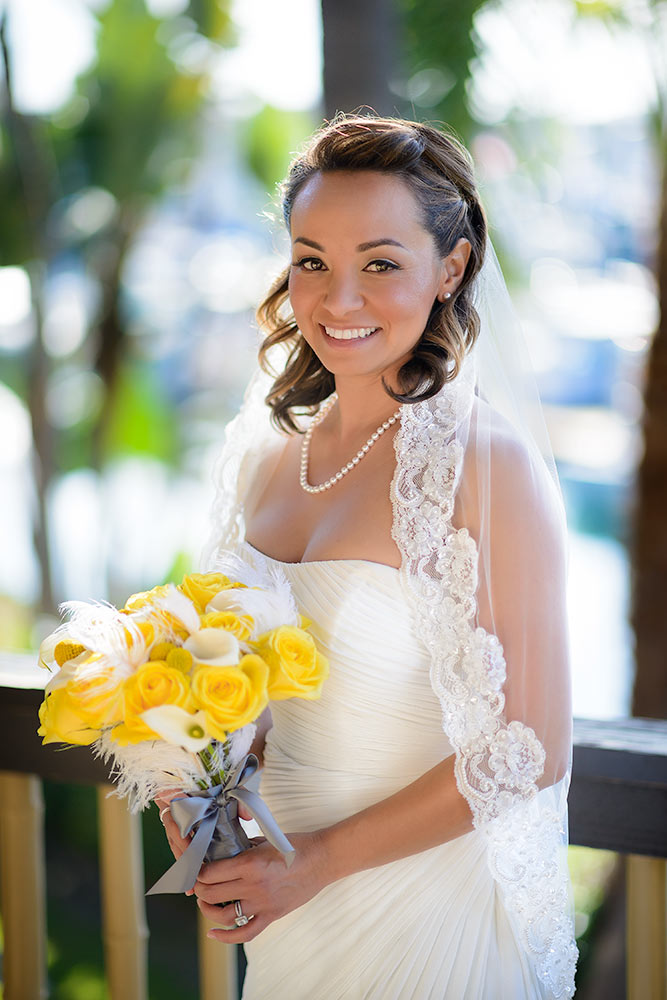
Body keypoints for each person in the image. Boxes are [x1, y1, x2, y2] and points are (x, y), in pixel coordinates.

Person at [160, 115, 578, 999]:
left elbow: (526, 748)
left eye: (379, 264)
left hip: (424, 915)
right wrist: (196, 782)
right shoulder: (265, 458)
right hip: (288, 916)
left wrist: (317, 864)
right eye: (312, 260)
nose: (338, 299)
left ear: (451, 268)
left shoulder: (484, 464)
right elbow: (248, 691)